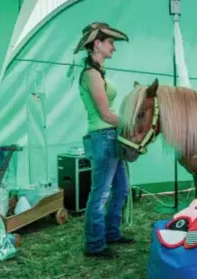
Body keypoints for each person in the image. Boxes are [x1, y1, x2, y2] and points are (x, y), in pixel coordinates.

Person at [74, 22, 134, 259]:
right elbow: (105, 115)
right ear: (96, 44)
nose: (114, 48)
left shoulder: (98, 73)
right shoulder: (90, 74)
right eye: (110, 43)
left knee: (121, 188)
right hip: (103, 136)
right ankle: (95, 244)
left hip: (110, 136)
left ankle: (111, 232)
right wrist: (129, 124)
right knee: (101, 193)